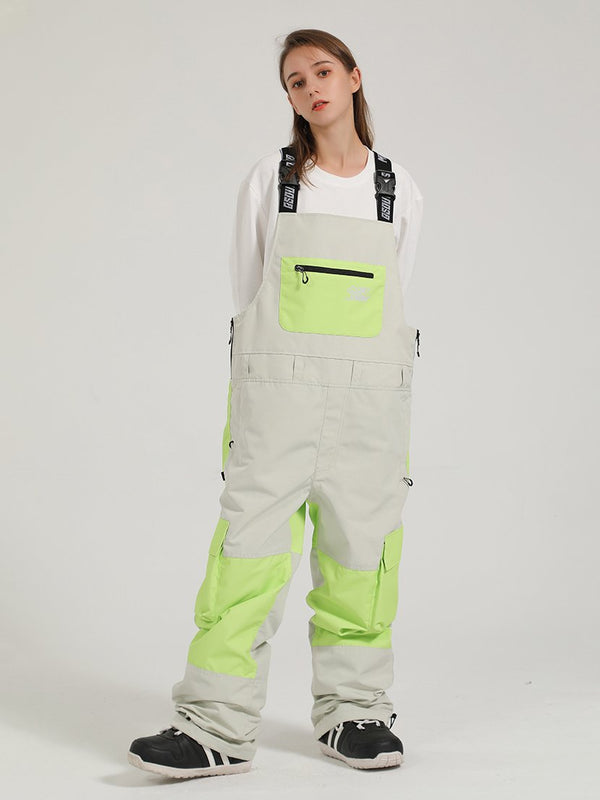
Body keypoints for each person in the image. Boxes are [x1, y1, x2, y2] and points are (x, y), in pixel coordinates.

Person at [128, 27, 423, 780]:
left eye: (322, 71)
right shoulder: (272, 179)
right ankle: (214, 727)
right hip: (276, 405)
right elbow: (248, 295)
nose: (311, 88)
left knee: (363, 559)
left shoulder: (400, 191)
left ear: (354, 77)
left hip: (370, 411)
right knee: (247, 558)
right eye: (296, 80)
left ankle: (355, 714)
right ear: (289, 97)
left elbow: (399, 299)